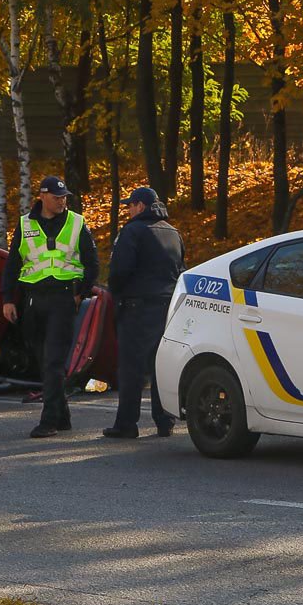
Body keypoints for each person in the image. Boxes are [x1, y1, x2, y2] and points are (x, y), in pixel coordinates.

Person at [1, 176, 98, 438]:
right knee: (43, 360)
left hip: (63, 298)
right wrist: (8, 299)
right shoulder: (26, 224)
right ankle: (62, 414)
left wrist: (81, 294)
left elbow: (93, 263)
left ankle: (49, 421)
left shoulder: (76, 222)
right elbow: (12, 263)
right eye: (56, 197)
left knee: (54, 360)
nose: (61, 201)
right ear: (42, 196)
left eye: (64, 197)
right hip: (33, 300)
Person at [102, 186, 186, 438]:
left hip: (137, 308)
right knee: (161, 365)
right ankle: (165, 421)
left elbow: (119, 271)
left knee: (131, 368)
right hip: (167, 307)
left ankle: (127, 424)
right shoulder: (173, 233)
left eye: (130, 205)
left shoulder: (132, 231)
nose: (128, 210)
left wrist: (115, 293)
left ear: (140, 206)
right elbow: (181, 268)